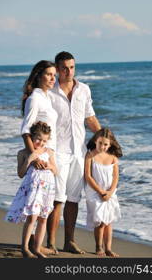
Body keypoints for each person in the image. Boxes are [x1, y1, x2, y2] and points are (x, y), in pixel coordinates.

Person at [47, 51, 101, 254]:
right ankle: (50, 242)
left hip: (79, 152)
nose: (68, 71)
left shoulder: (84, 89)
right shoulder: (49, 91)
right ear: (57, 68)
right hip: (56, 152)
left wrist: (107, 138)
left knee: (73, 199)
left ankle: (69, 241)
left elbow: (90, 118)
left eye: (72, 67)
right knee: (57, 199)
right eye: (64, 68)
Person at [20, 60, 58, 254]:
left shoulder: (47, 96)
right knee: (34, 211)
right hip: (39, 162)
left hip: (48, 159)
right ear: (39, 76)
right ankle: (26, 247)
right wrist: (34, 158)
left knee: (44, 210)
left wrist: (51, 160)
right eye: (49, 74)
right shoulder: (35, 97)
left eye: (54, 75)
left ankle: (36, 247)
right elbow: (26, 130)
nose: (53, 78)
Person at [5, 121, 57, 258]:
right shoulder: (22, 153)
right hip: (33, 190)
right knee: (32, 217)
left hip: (47, 190)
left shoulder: (49, 152)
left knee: (43, 218)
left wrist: (49, 166)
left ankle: (37, 248)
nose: (41, 143)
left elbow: (56, 170)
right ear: (32, 137)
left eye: (44, 140)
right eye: (38, 139)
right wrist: (29, 160)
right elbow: (20, 173)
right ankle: (25, 247)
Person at [84, 128, 122, 257]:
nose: (103, 146)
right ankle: (98, 247)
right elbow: (88, 176)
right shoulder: (90, 155)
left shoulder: (113, 157)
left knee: (108, 221)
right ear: (95, 141)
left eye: (106, 144)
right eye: (100, 143)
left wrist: (110, 192)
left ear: (110, 144)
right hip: (95, 192)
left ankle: (108, 248)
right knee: (100, 221)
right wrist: (100, 191)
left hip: (109, 193)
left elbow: (116, 177)